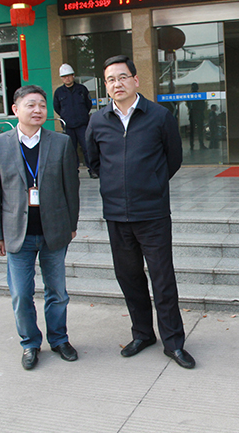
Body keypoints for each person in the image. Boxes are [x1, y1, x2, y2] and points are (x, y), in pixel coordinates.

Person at [86, 55, 194, 370]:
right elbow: (93, 161)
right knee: (129, 278)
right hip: (116, 215)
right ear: (106, 86)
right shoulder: (98, 121)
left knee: (162, 279)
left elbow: (173, 158)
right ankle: (143, 334)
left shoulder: (159, 116)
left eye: (122, 77)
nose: (117, 84)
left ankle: (173, 342)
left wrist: (152, 184)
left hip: (153, 214)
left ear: (135, 80)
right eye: (110, 80)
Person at [0, 85, 80, 371]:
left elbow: (71, 188)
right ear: (15, 110)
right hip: (17, 234)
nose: (37, 110)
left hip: (54, 231)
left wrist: (71, 225)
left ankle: (59, 339)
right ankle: (30, 343)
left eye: (41, 105)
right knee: (21, 294)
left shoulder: (61, 142)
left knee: (57, 293)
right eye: (30, 105)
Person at [53, 63, 96, 178]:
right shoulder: (59, 92)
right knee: (70, 150)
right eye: (64, 76)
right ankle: (73, 172)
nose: (67, 78)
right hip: (68, 126)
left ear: (73, 76)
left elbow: (88, 104)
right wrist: (66, 116)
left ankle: (92, 170)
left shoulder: (82, 89)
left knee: (87, 147)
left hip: (82, 125)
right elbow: (57, 108)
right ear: (61, 78)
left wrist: (81, 115)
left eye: (69, 75)